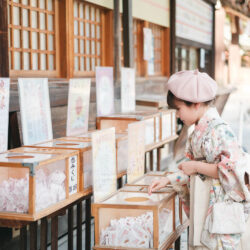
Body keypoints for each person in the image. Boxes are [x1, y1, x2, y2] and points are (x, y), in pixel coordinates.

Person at [148, 69, 250, 250]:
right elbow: (191, 170)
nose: (178, 116)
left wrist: (196, 166)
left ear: (196, 104)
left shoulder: (219, 130)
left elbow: (234, 171)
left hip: (220, 215)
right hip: (204, 205)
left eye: (179, 109)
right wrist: (168, 180)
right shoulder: (199, 131)